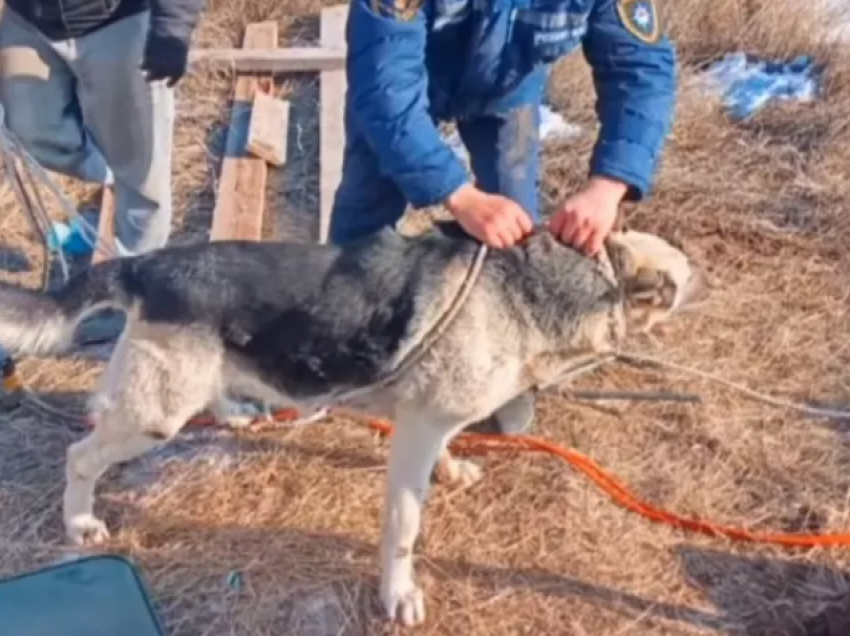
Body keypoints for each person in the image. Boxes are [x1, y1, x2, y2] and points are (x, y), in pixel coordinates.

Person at [330, 0, 677, 433]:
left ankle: (490, 371)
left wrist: (608, 187)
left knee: (518, 245)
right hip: (405, 86)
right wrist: (458, 196)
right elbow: (385, 92)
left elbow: (641, 70)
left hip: (509, 92)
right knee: (365, 221)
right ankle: (339, 353)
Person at [0, 0, 205, 343]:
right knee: (36, 132)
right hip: (30, 22)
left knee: (142, 178)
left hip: (118, 22)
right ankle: (111, 171)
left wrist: (173, 25)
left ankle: (132, 299)